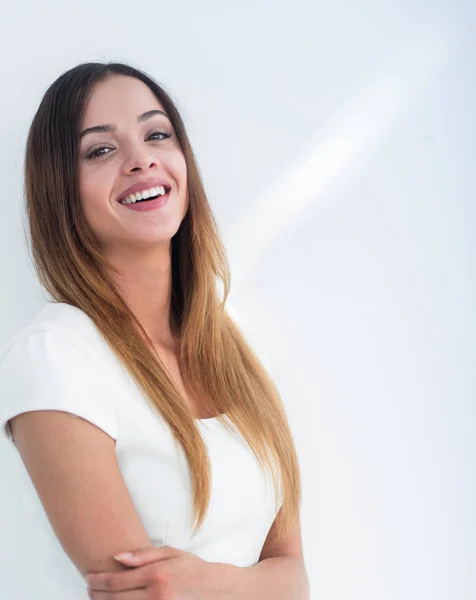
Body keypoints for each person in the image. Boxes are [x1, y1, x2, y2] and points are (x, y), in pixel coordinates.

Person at [0, 62, 308, 599]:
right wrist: (254, 586)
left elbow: (296, 578)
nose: (141, 159)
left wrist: (207, 583)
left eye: (156, 134)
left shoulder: (227, 346)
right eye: (100, 149)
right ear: (60, 190)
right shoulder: (53, 356)